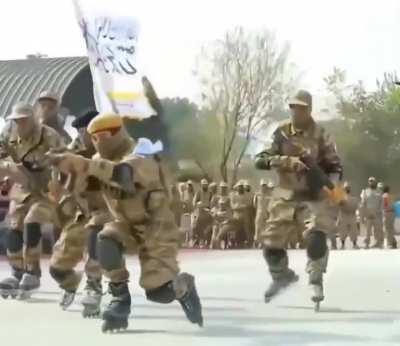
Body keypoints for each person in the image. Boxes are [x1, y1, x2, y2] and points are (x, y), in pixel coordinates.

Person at [46, 113, 203, 332]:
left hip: (156, 227)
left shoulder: (142, 150)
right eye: (94, 137)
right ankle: (119, 298)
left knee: (157, 292)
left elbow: (123, 174)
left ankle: (184, 287)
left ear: (118, 132)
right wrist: (63, 168)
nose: (98, 141)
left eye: (103, 135)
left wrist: (85, 164)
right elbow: (84, 189)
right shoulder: (99, 158)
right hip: (125, 223)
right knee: (106, 239)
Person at [255, 90, 343, 310]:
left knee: (316, 240)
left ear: (309, 109)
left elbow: (335, 167)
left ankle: (315, 280)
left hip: (313, 197)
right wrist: (285, 161)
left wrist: (328, 186)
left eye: (301, 107)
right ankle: (281, 276)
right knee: (270, 245)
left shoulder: (321, 134)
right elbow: (259, 159)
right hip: (285, 195)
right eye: (293, 107)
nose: (296, 111)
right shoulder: (281, 132)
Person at [0, 102, 64, 299]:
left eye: (23, 120)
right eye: (16, 121)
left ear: (32, 119)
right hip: (22, 187)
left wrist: (56, 179)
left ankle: (32, 271)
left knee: (32, 221)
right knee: (14, 226)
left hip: (46, 188)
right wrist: (7, 172)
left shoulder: (48, 135)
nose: (19, 124)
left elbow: (63, 158)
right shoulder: (8, 136)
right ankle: (16, 272)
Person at [48, 110, 109, 316]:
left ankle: (94, 285)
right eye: (80, 132)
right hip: (81, 214)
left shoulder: (113, 151)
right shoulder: (74, 150)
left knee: (96, 234)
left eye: (84, 131)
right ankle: (70, 283)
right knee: (56, 268)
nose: (81, 136)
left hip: (106, 213)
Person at [360, 177, 384, 249]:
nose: (371, 182)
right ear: (368, 182)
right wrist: (362, 215)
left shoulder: (379, 191)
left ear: (375, 182)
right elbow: (363, 203)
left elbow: (381, 202)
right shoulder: (365, 191)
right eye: (370, 181)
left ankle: (379, 243)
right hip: (368, 214)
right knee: (368, 230)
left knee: (378, 229)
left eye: (372, 181)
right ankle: (367, 244)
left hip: (377, 213)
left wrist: (380, 211)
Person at [337, 182, 359, 249]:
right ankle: (343, 245)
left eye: (348, 188)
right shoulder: (343, 198)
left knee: (353, 231)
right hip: (346, 216)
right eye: (346, 188)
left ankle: (354, 244)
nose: (347, 189)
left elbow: (355, 207)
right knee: (343, 231)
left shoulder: (353, 198)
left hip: (348, 216)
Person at [253, 180, 273, 247]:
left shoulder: (269, 195)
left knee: (265, 228)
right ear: (260, 186)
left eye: (265, 185)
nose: (264, 187)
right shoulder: (257, 194)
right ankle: (256, 242)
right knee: (258, 228)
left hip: (267, 213)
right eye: (263, 185)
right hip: (259, 213)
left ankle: (262, 243)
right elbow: (254, 204)